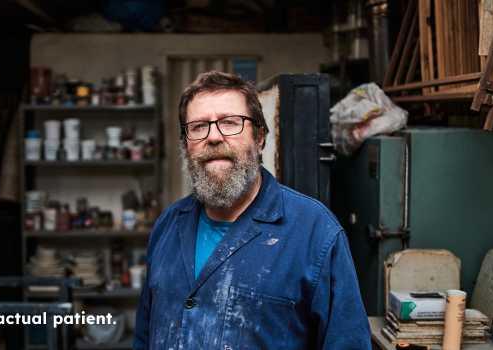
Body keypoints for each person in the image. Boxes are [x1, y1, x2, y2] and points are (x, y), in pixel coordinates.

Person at [134, 71, 371, 349]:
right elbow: (144, 336)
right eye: (198, 127)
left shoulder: (314, 232)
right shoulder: (168, 226)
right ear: (186, 144)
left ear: (259, 137)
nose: (213, 137)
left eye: (230, 123)